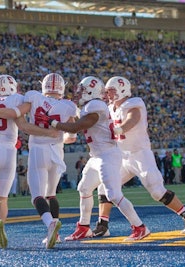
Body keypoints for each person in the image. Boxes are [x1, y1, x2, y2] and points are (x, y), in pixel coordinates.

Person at [42, 75, 149, 242]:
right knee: (84, 188)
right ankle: (84, 227)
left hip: (108, 155)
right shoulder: (90, 105)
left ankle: (140, 227)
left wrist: (53, 123)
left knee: (113, 194)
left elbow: (78, 126)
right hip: (97, 156)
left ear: (91, 92)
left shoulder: (96, 105)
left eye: (82, 90)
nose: (78, 92)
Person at [0, 73, 75, 249]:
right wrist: (56, 134)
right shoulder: (69, 106)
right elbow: (72, 136)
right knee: (50, 194)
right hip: (56, 152)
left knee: (37, 195)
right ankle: (55, 233)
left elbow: (19, 119)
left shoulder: (31, 98)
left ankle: (50, 224)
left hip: (35, 150)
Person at [98, 76, 185, 236]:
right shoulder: (110, 108)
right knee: (104, 186)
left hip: (140, 154)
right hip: (122, 156)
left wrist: (119, 129)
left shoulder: (133, 104)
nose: (108, 94)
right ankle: (102, 226)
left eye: (110, 90)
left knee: (157, 191)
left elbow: (132, 119)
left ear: (121, 90)